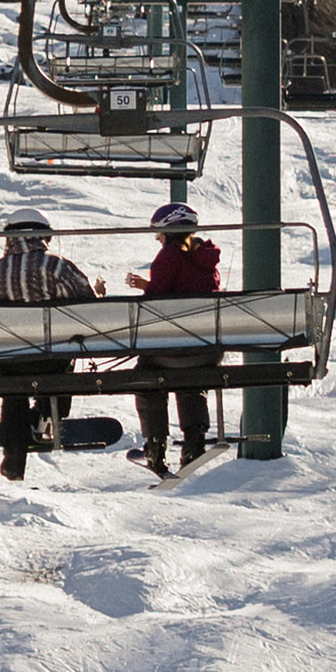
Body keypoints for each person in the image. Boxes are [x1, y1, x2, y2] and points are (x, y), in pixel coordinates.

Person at [0, 209, 105, 481]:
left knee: (14, 391)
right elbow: (86, 305)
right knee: (62, 365)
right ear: (44, 235)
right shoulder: (57, 266)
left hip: (11, 360)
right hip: (53, 360)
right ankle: (46, 415)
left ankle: (13, 459)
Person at [125, 202, 221, 475]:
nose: (158, 240)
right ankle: (194, 442)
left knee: (147, 377)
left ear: (169, 232)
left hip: (171, 352)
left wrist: (148, 289)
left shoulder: (169, 256)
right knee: (191, 380)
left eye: (159, 235)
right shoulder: (206, 258)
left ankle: (155, 446)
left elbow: (157, 302)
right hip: (206, 351)